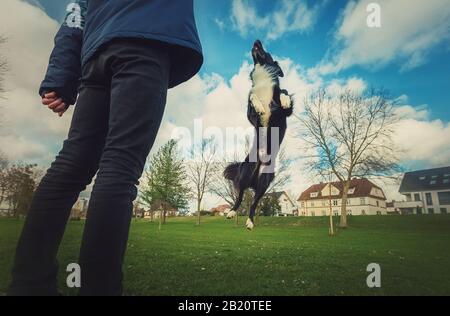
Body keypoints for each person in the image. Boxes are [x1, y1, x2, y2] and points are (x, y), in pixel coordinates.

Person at [8, 0, 203, 296]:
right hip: (145, 42)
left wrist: (59, 78)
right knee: (120, 167)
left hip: (97, 54)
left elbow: (75, 17)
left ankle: (28, 286)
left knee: (70, 167)